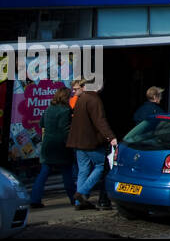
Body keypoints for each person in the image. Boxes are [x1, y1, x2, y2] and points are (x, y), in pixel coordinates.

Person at [67, 79, 117, 211]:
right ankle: (81, 193)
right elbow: (100, 121)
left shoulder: (81, 99)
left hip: (78, 141)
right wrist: (111, 137)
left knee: (83, 170)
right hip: (90, 141)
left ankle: (80, 202)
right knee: (101, 166)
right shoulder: (94, 99)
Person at [30, 87, 76, 208]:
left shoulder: (49, 108)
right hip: (61, 147)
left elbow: (41, 124)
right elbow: (65, 130)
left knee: (43, 173)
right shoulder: (66, 110)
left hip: (48, 146)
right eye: (70, 96)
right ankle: (74, 198)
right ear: (66, 97)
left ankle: (34, 199)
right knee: (67, 173)